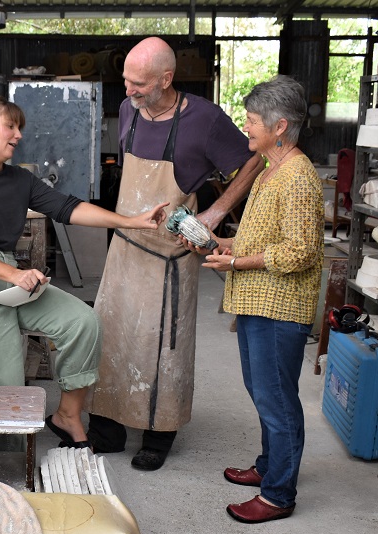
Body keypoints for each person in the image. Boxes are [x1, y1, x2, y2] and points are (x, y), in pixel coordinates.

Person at [0, 95, 166, 447]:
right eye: (10, 126)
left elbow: (67, 208)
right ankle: (5, 468)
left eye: (19, 128)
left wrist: (131, 222)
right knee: (7, 392)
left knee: (82, 323)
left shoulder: (19, 180)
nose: (17, 136)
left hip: (8, 275)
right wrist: (14, 275)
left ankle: (67, 415)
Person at [83, 36, 265, 470]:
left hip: (171, 256)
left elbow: (254, 162)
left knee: (164, 348)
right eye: (125, 81)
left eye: (139, 83)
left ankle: (157, 435)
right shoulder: (128, 109)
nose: (128, 91)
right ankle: (106, 430)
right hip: (126, 247)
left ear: (167, 78)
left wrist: (218, 211)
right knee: (111, 339)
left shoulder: (204, 118)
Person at [194, 75, 323, 523]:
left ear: (280, 126)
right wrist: (227, 245)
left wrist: (237, 264)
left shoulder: (299, 177)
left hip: (280, 306)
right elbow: (266, 236)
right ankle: (270, 467)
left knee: (277, 398)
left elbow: (301, 251)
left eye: (251, 121)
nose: (245, 127)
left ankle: (278, 494)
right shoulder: (272, 170)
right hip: (257, 303)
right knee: (262, 389)